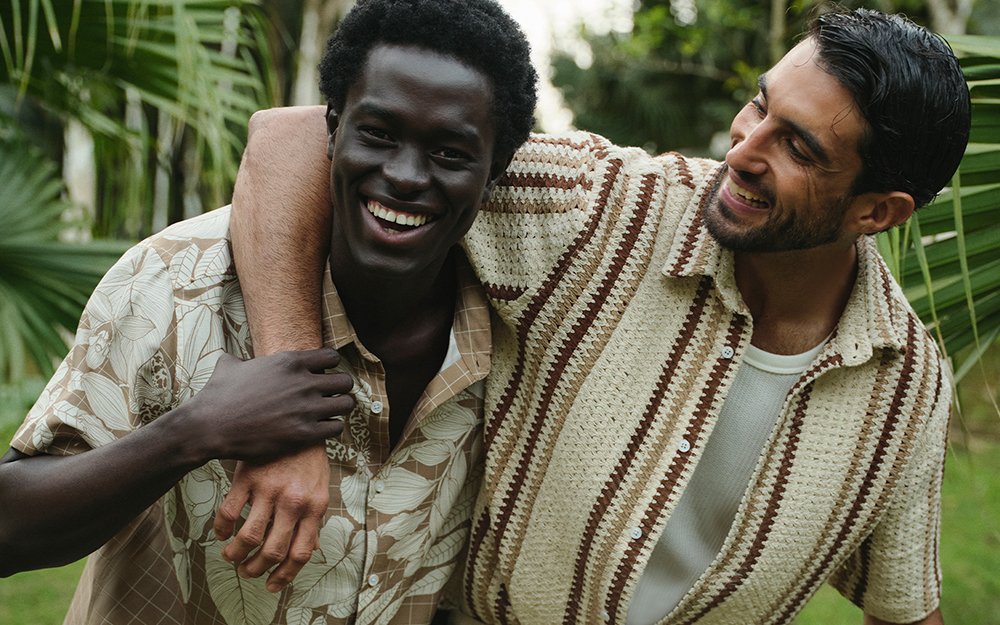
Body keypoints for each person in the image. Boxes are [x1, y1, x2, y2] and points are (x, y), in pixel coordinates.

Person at [224, 7, 969, 625]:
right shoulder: (608, 211)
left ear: (878, 210)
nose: (744, 148)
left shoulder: (906, 389)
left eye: (798, 146)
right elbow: (290, 138)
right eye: (760, 104)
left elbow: (906, 606)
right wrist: (287, 414)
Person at [0, 1, 537, 624]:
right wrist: (197, 431)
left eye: (450, 153)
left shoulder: (519, 327)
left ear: (496, 169)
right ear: (331, 131)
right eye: (379, 134)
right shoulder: (179, 284)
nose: (406, 176)